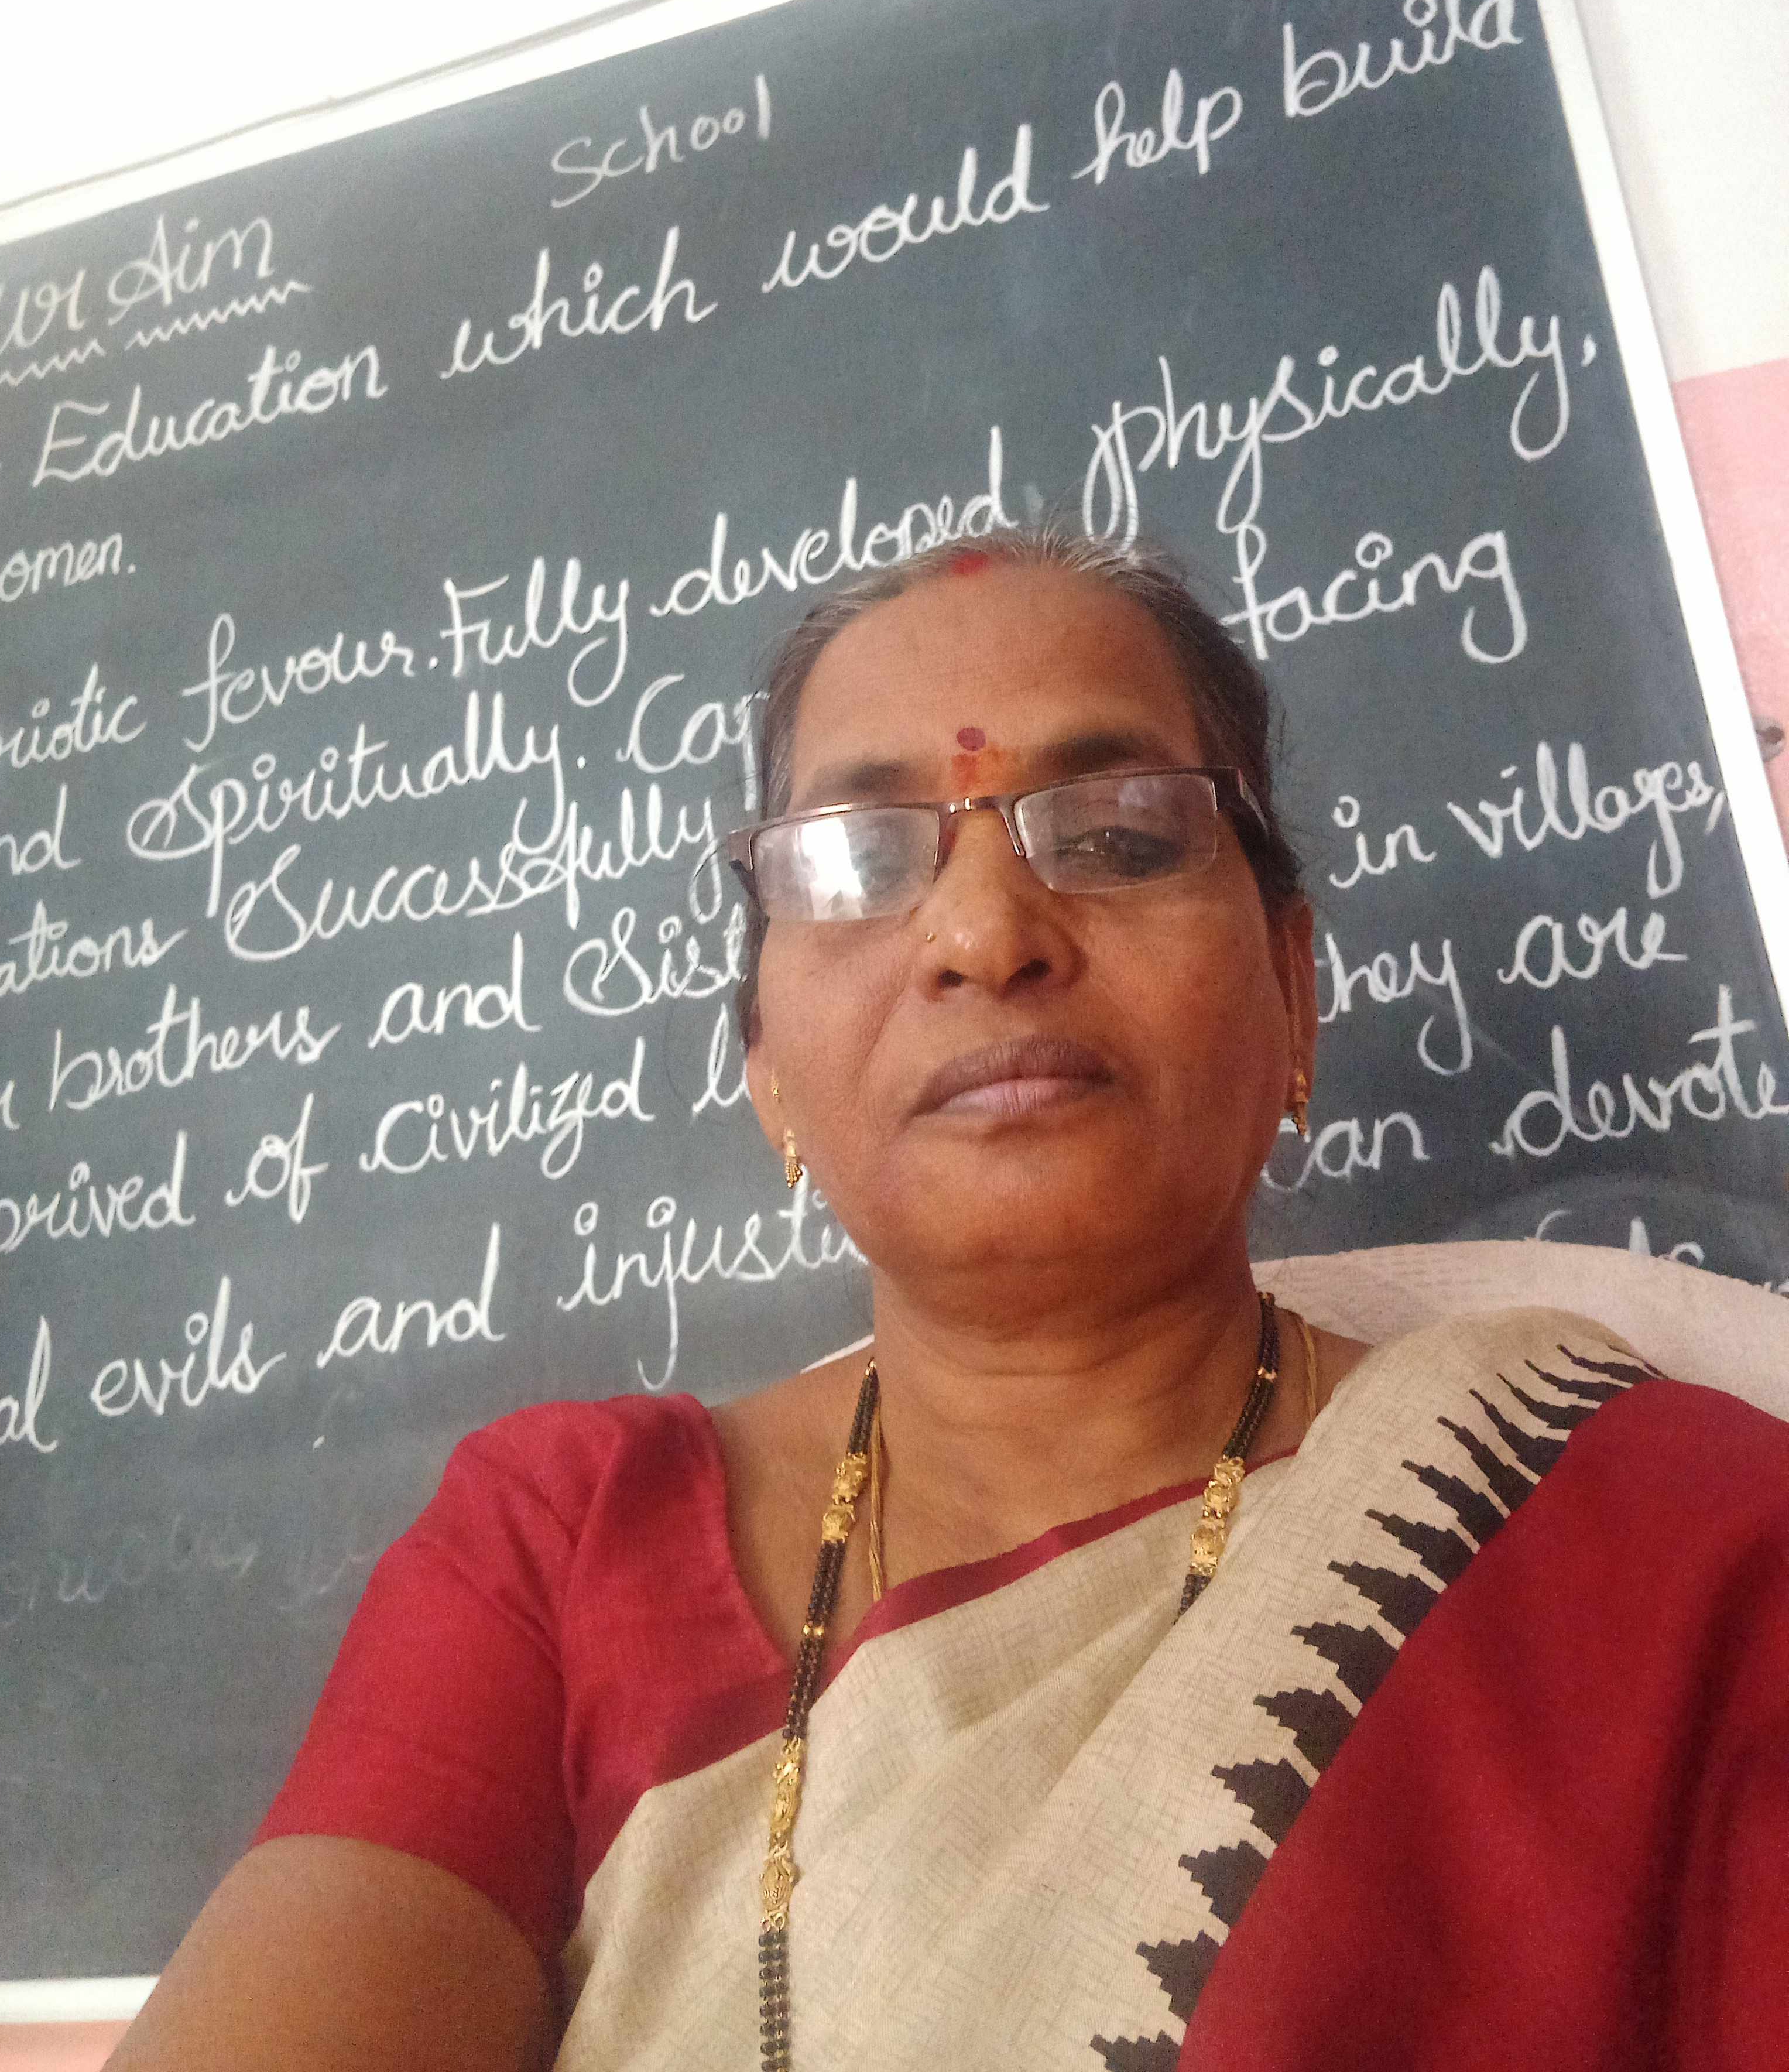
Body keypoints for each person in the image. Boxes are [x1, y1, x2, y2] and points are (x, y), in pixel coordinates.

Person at [108, 531, 1789, 2072]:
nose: (985, 932)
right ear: (766, 1066)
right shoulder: (557, 1551)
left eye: (1120, 835)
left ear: (1293, 991)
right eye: (856, 865)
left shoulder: (1668, 1544)